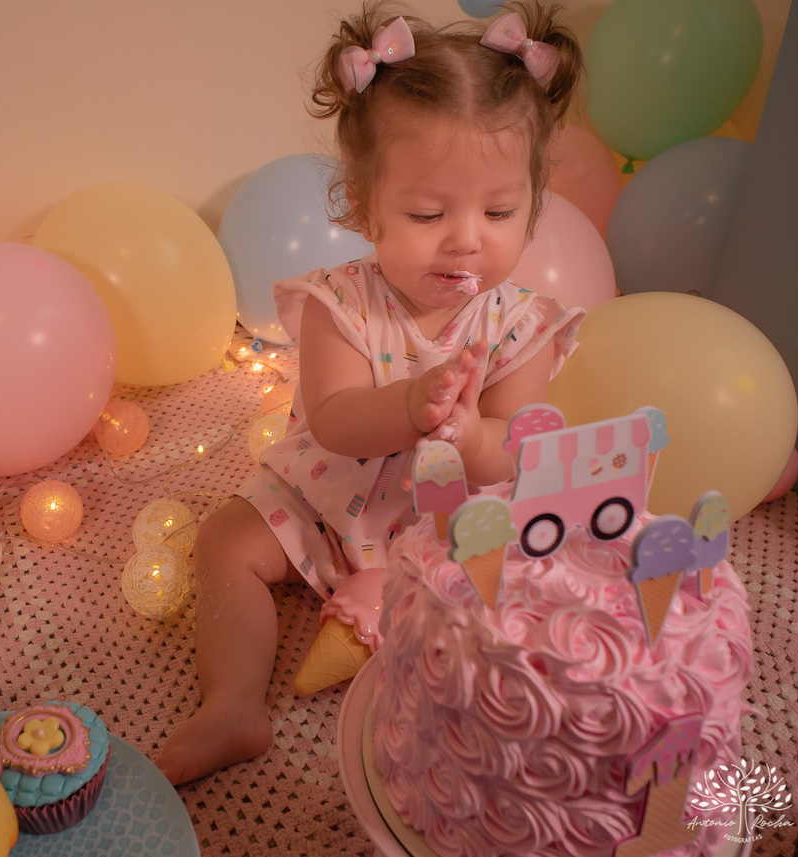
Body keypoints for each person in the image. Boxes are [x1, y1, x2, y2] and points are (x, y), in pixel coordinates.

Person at [155, 0, 586, 786]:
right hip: (326, 499)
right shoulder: (339, 304)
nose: (466, 238)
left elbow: (519, 454)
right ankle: (233, 703)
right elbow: (334, 419)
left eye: (500, 211)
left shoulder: (524, 324)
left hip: (443, 530)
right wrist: (413, 406)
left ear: (533, 202)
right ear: (363, 208)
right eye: (427, 213)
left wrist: (473, 435)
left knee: (523, 600)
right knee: (225, 543)